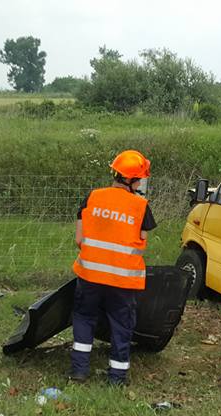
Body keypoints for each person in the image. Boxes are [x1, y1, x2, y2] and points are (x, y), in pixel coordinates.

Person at [70, 150, 157, 385]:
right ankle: (117, 377)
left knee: (84, 318)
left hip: (90, 275)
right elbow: (141, 242)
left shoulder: (93, 197)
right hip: (123, 281)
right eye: (139, 178)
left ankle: (79, 370)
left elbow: (80, 239)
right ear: (132, 180)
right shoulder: (140, 206)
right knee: (121, 325)